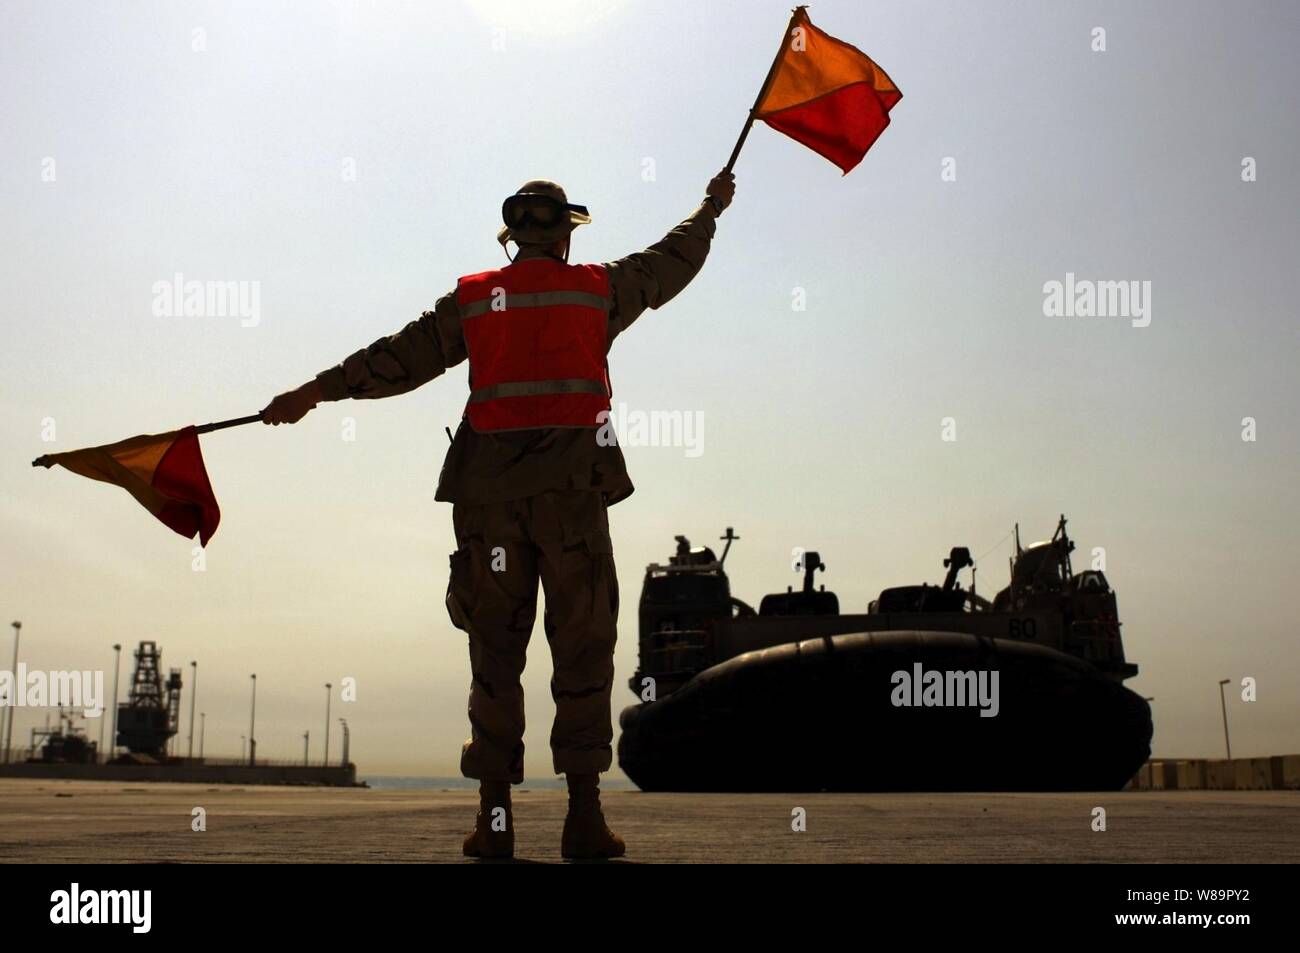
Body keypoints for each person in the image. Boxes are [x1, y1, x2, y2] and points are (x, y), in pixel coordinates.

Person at [263, 171, 736, 859]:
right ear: (567, 235)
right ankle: (582, 817)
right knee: (582, 651)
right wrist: (710, 209)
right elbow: (673, 261)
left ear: (511, 236)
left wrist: (314, 391)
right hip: (571, 500)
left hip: (488, 506)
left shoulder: (477, 300)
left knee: (493, 656)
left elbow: (399, 357)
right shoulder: (597, 289)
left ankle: (495, 820)